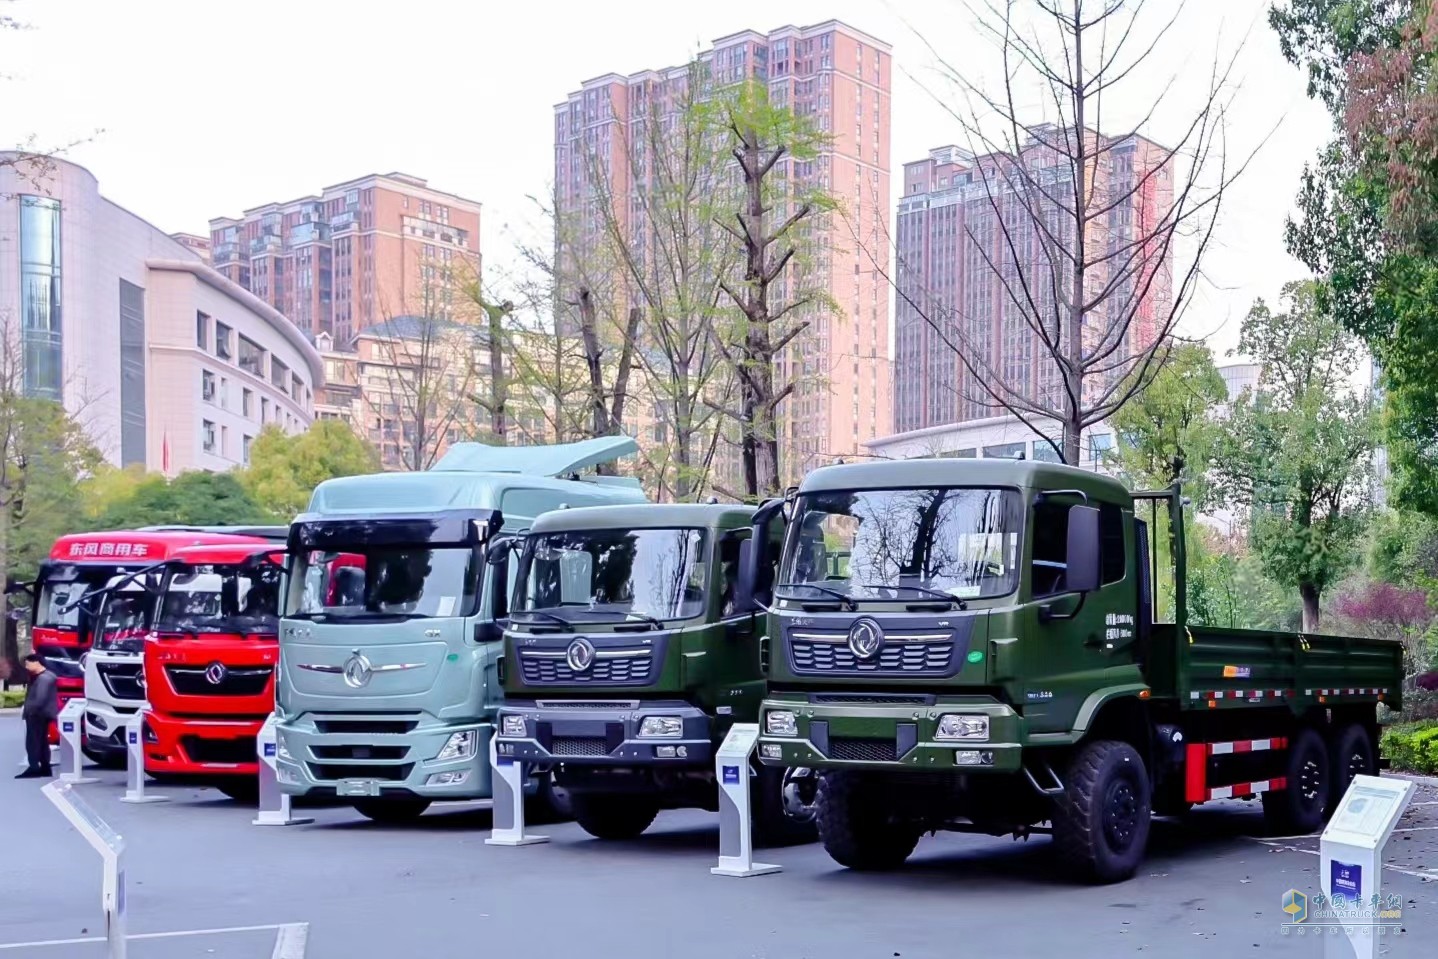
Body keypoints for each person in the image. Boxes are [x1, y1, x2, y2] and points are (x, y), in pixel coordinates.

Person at [16, 653, 58, 779]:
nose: (27, 667)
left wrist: (30, 710)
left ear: (37, 662)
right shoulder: (44, 677)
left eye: (28, 663)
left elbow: (40, 698)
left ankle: (34, 767)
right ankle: (44, 767)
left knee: (33, 741)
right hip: (41, 714)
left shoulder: (44, 679)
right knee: (42, 741)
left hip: (37, 714)